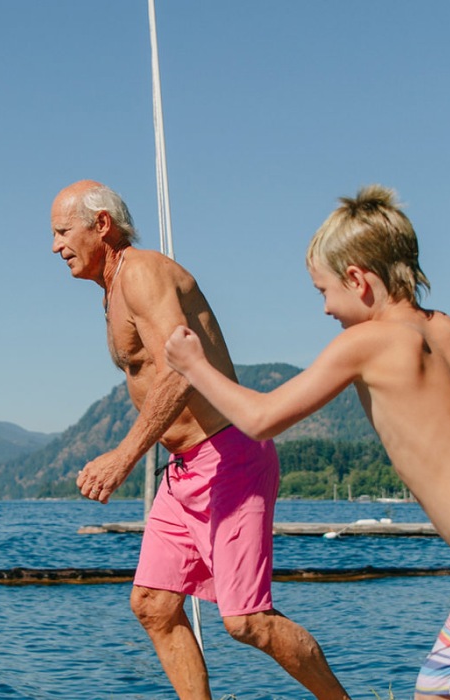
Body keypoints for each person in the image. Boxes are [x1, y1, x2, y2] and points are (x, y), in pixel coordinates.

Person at [164, 184, 450, 700]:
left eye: (324, 291)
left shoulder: (366, 342)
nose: (326, 308)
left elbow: (262, 418)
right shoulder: (445, 329)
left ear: (358, 279)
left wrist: (193, 366)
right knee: (440, 692)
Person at [49, 180, 350, 700]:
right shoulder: (112, 288)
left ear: (102, 225)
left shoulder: (142, 273)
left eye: (62, 231)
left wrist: (124, 456)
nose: (56, 245)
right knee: (153, 604)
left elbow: (182, 370)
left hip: (229, 454)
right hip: (185, 467)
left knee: (247, 621)